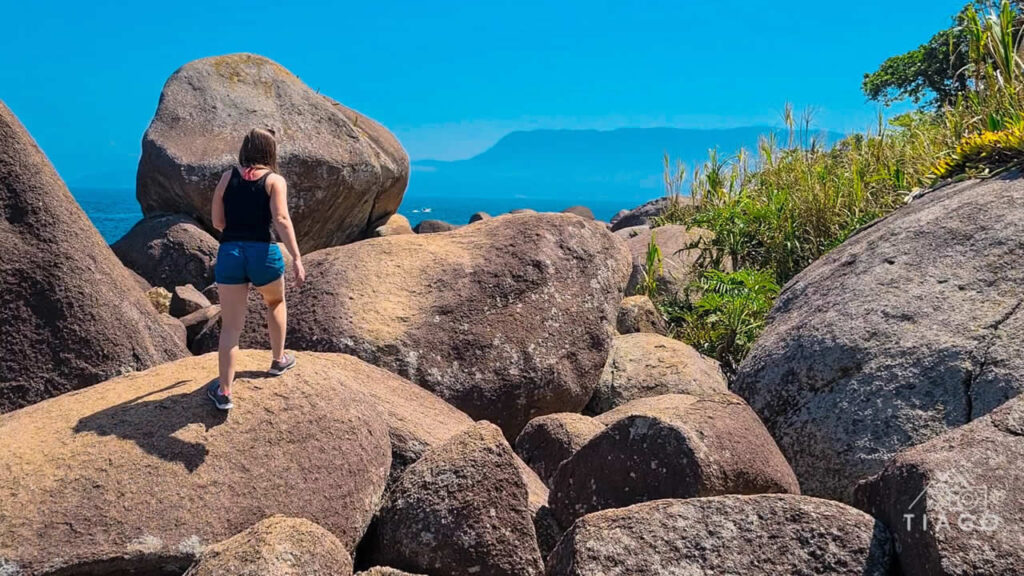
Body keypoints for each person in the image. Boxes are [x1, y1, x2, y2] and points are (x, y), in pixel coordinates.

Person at [206, 128, 306, 410]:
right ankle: (278, 360)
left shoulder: (228, 177)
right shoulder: (274, 180)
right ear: (270, 151)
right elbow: (282, 219)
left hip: (231, 252)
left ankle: (224, 392)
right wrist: (297, 257)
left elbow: (217, 221)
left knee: (231, 327)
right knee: (275, 301)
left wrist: (238, 227)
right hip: (264, 251)